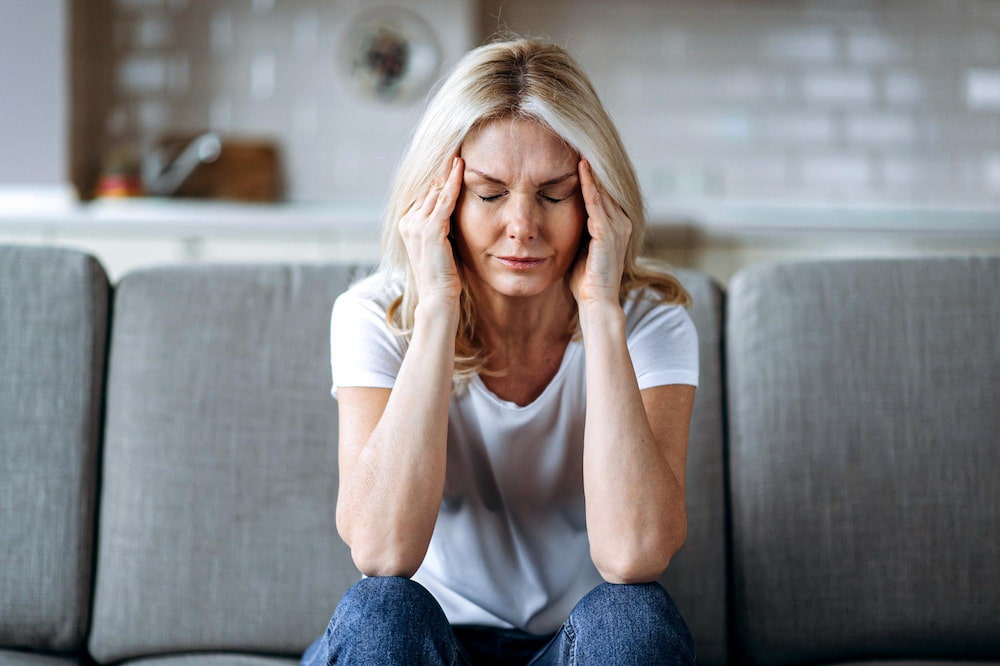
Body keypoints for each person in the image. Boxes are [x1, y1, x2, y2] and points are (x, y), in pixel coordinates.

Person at [303, 37, 699, 666]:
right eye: (488, 194)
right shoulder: (373, 315)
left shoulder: (652, 321)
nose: (523, 226)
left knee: (634, 620)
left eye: (554, 193)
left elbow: (633, 555)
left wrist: (600, 309)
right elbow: (380, 554)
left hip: (568, 650)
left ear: (598, 200)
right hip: (425, 648)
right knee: (383, 612)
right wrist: (434, 311)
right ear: (441, 198)